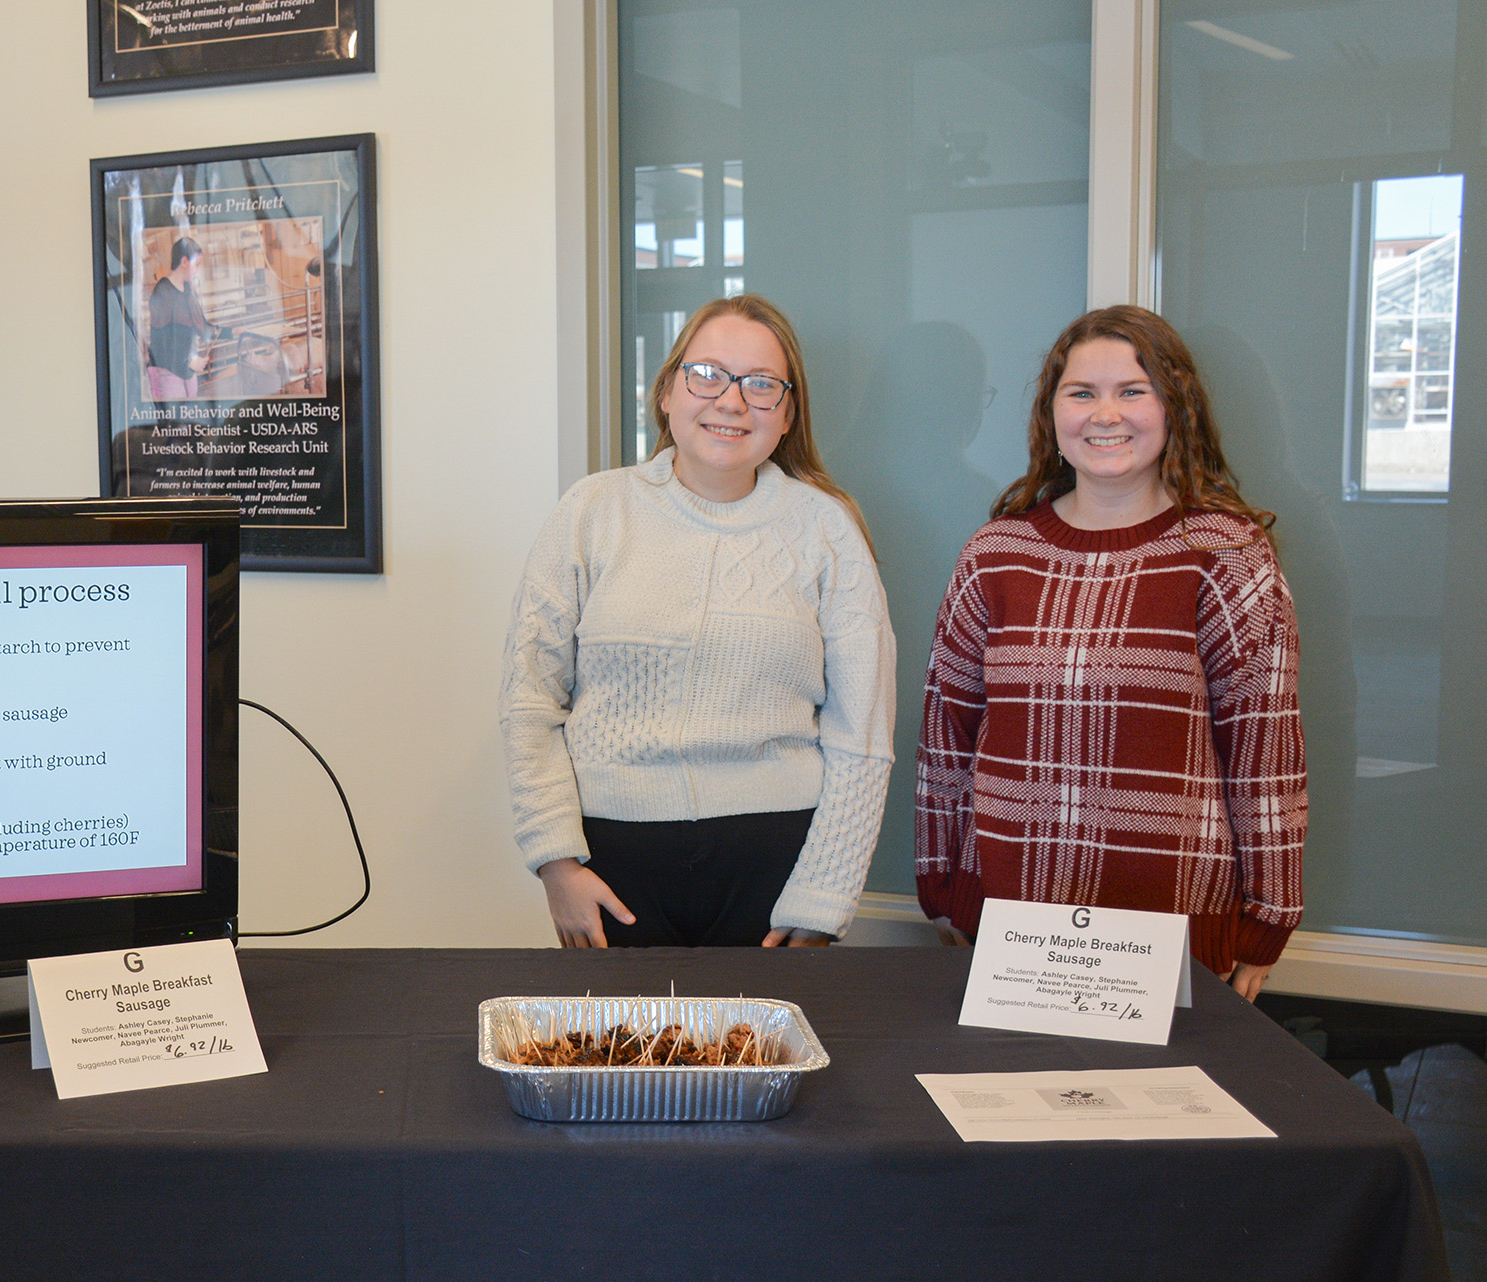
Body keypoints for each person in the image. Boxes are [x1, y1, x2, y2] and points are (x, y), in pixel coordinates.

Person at [914, 305, 1306, 999]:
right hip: (1010, 931)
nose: (1106, 414)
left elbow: (1263, 752)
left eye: (1132, 390)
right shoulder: (996, 554)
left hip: (1169, 935)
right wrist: (942, 882)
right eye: (1082, 392)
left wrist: (1266, 920)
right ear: (1051, 412)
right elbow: (947, 736)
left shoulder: (1226, 555)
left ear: (1174, 403)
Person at [501, 294, 896, 948]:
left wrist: (826, 895)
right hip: (610, 869)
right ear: (666, 390)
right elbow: (528, 697)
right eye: (707, 374)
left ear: (788, 412)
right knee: (612, 1052)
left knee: (761, 1054)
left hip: (777, 874)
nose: (732, 401)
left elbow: (863, 731)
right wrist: (556, 862)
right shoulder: (592, 511)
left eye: (761, 384)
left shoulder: (828, 529)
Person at [146, 238, 217, 399]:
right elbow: (160, 343)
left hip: (188, 373)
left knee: (189, 420)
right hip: (169, 372)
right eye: (196, 265)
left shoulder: (188, 291)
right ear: (184, 262)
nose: (197, 270)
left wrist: (232, 331)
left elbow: (203, 327)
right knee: (176, 422)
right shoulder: (163, 291)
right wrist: (190, 360)